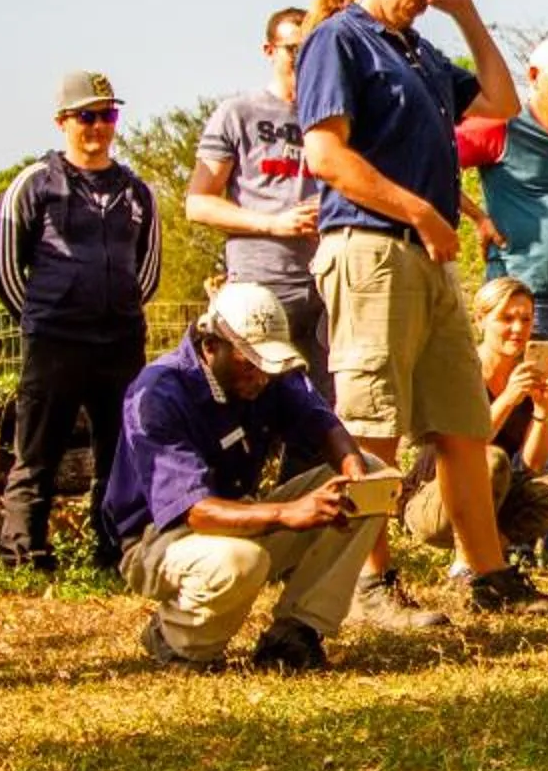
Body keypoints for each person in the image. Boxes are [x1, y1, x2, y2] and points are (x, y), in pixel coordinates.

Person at [296, 0, 548, 617]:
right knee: (373, 423)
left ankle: (490, 580)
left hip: (427, 260)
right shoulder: (339, 40)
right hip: (369, 246)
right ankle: (368, 583)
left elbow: (503, 100)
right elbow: (325, 156)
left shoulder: (420, 53)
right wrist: (423, 212)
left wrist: (465, 10)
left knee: (462, 420)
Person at [102, 283, 384, 672]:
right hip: (160, 538)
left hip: (240, 513)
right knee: (240, 561)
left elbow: (322, 424)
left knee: (371, 475)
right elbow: (196, 511)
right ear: (210, 345)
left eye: (267, 365)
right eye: (247, 363)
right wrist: (288, 513)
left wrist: (354, 472)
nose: (260, 376)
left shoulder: (267, 373)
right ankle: (177, 641)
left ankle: (296, 631)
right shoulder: (158, 393)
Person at [0, 71, 160, 574]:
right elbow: (4, 267)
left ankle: (113, 549)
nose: (98, 126)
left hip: (120, 341)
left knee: (120, 450)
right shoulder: (34, 183)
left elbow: (147, 269)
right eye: (87, 116)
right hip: (54, 340)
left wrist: (120, 308)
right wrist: (43, 316)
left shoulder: (137, 191)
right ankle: (23, 551)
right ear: (62, 122)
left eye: (107, 115)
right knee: (37, 450)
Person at [456, 35, 548, 565]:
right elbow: (429, 160)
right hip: (525, 296)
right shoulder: (498, 126)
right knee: (521, 408)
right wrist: (477, 217)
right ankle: (510, 538)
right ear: (533, 73)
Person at [186, 7, 330, 407]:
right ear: (269, 50)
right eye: (292, 49)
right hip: (261, 284)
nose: (303, 59)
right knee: (246, 400)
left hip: (326, 285)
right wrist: (275, 223)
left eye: (313, 49)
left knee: (321, 407)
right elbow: (198, 203)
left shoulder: (335, 117)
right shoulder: (238, 113)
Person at [455, 278, 548, 566]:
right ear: (480, 320)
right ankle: (467, 559)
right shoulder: (462, 370)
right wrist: (509, 398)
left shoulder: (524, 376)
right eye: (506, 318)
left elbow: (533, 466)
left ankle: (491, 549)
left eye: (525, 319)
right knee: (492, 460)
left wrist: (542, 409)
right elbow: (465, 446)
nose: (518, 329)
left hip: (496, 493)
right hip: (443, 497)